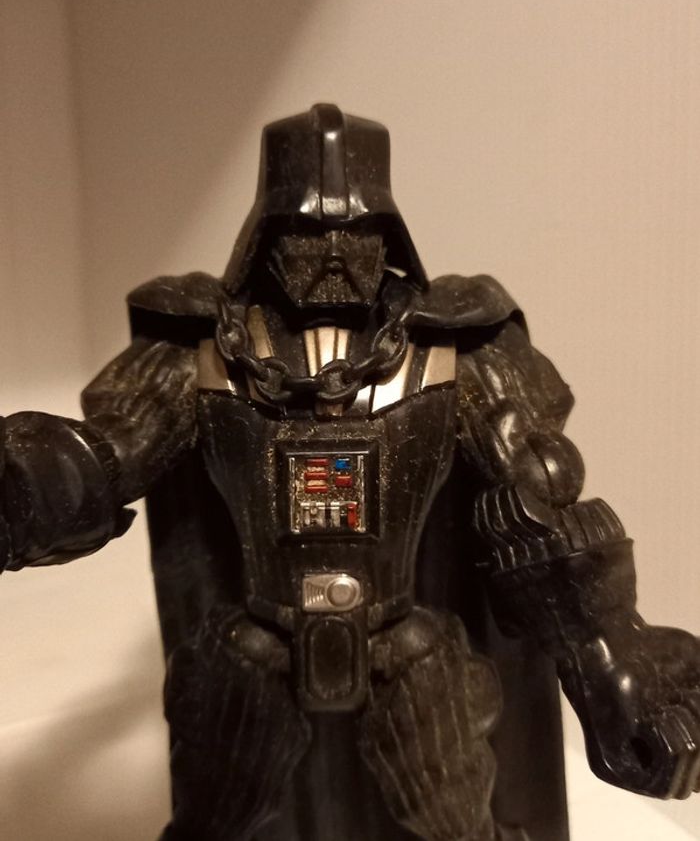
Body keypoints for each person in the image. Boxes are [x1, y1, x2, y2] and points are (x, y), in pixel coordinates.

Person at [2, 104, 699, 841]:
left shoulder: (453, 349)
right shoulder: (204, 352)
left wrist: (610, 657)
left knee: (458, 817)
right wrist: (29, 485)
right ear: (266, 236)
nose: (333, 252)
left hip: (407, 640)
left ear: (390, 236)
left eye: (356, 233)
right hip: (256, 636)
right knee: (214, 814)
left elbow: (542, 507)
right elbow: (104, 458)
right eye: (309, 234)